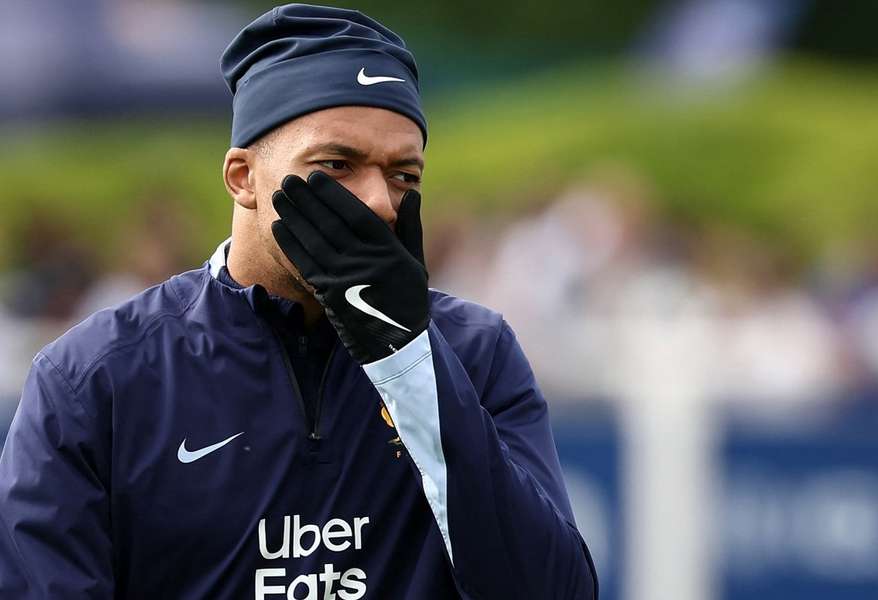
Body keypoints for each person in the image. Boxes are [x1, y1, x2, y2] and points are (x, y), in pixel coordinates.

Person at [0, 4, 597, 599]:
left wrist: (408, 362)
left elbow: (552, 589)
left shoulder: (477, 352)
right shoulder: (93, 379)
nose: (380, 203)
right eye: (336, 165)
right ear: (243, 177)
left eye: (404, 176)